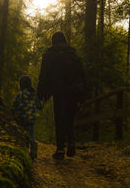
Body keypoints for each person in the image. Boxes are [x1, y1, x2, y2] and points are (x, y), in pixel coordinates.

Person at [37, 32, 86, 160]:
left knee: (59, 119)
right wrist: (83, 95)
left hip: (58, 92)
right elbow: (82, 74)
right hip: (74, 91)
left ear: (53, 41)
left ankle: (60, 149)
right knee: (70, 119)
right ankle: (71, 142)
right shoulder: (73, 54)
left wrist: (41, 94)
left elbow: (44, 75)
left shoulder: (49, 55)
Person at [13, 75, 43, 159]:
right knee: (30, 134)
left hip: (21, 118)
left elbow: (14, 105)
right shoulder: (34, 95)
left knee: (22, 135)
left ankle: (24, 151)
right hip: (31, 119)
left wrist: (14, 114)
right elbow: (40, 106)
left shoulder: (19, 95)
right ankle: (33, 148)